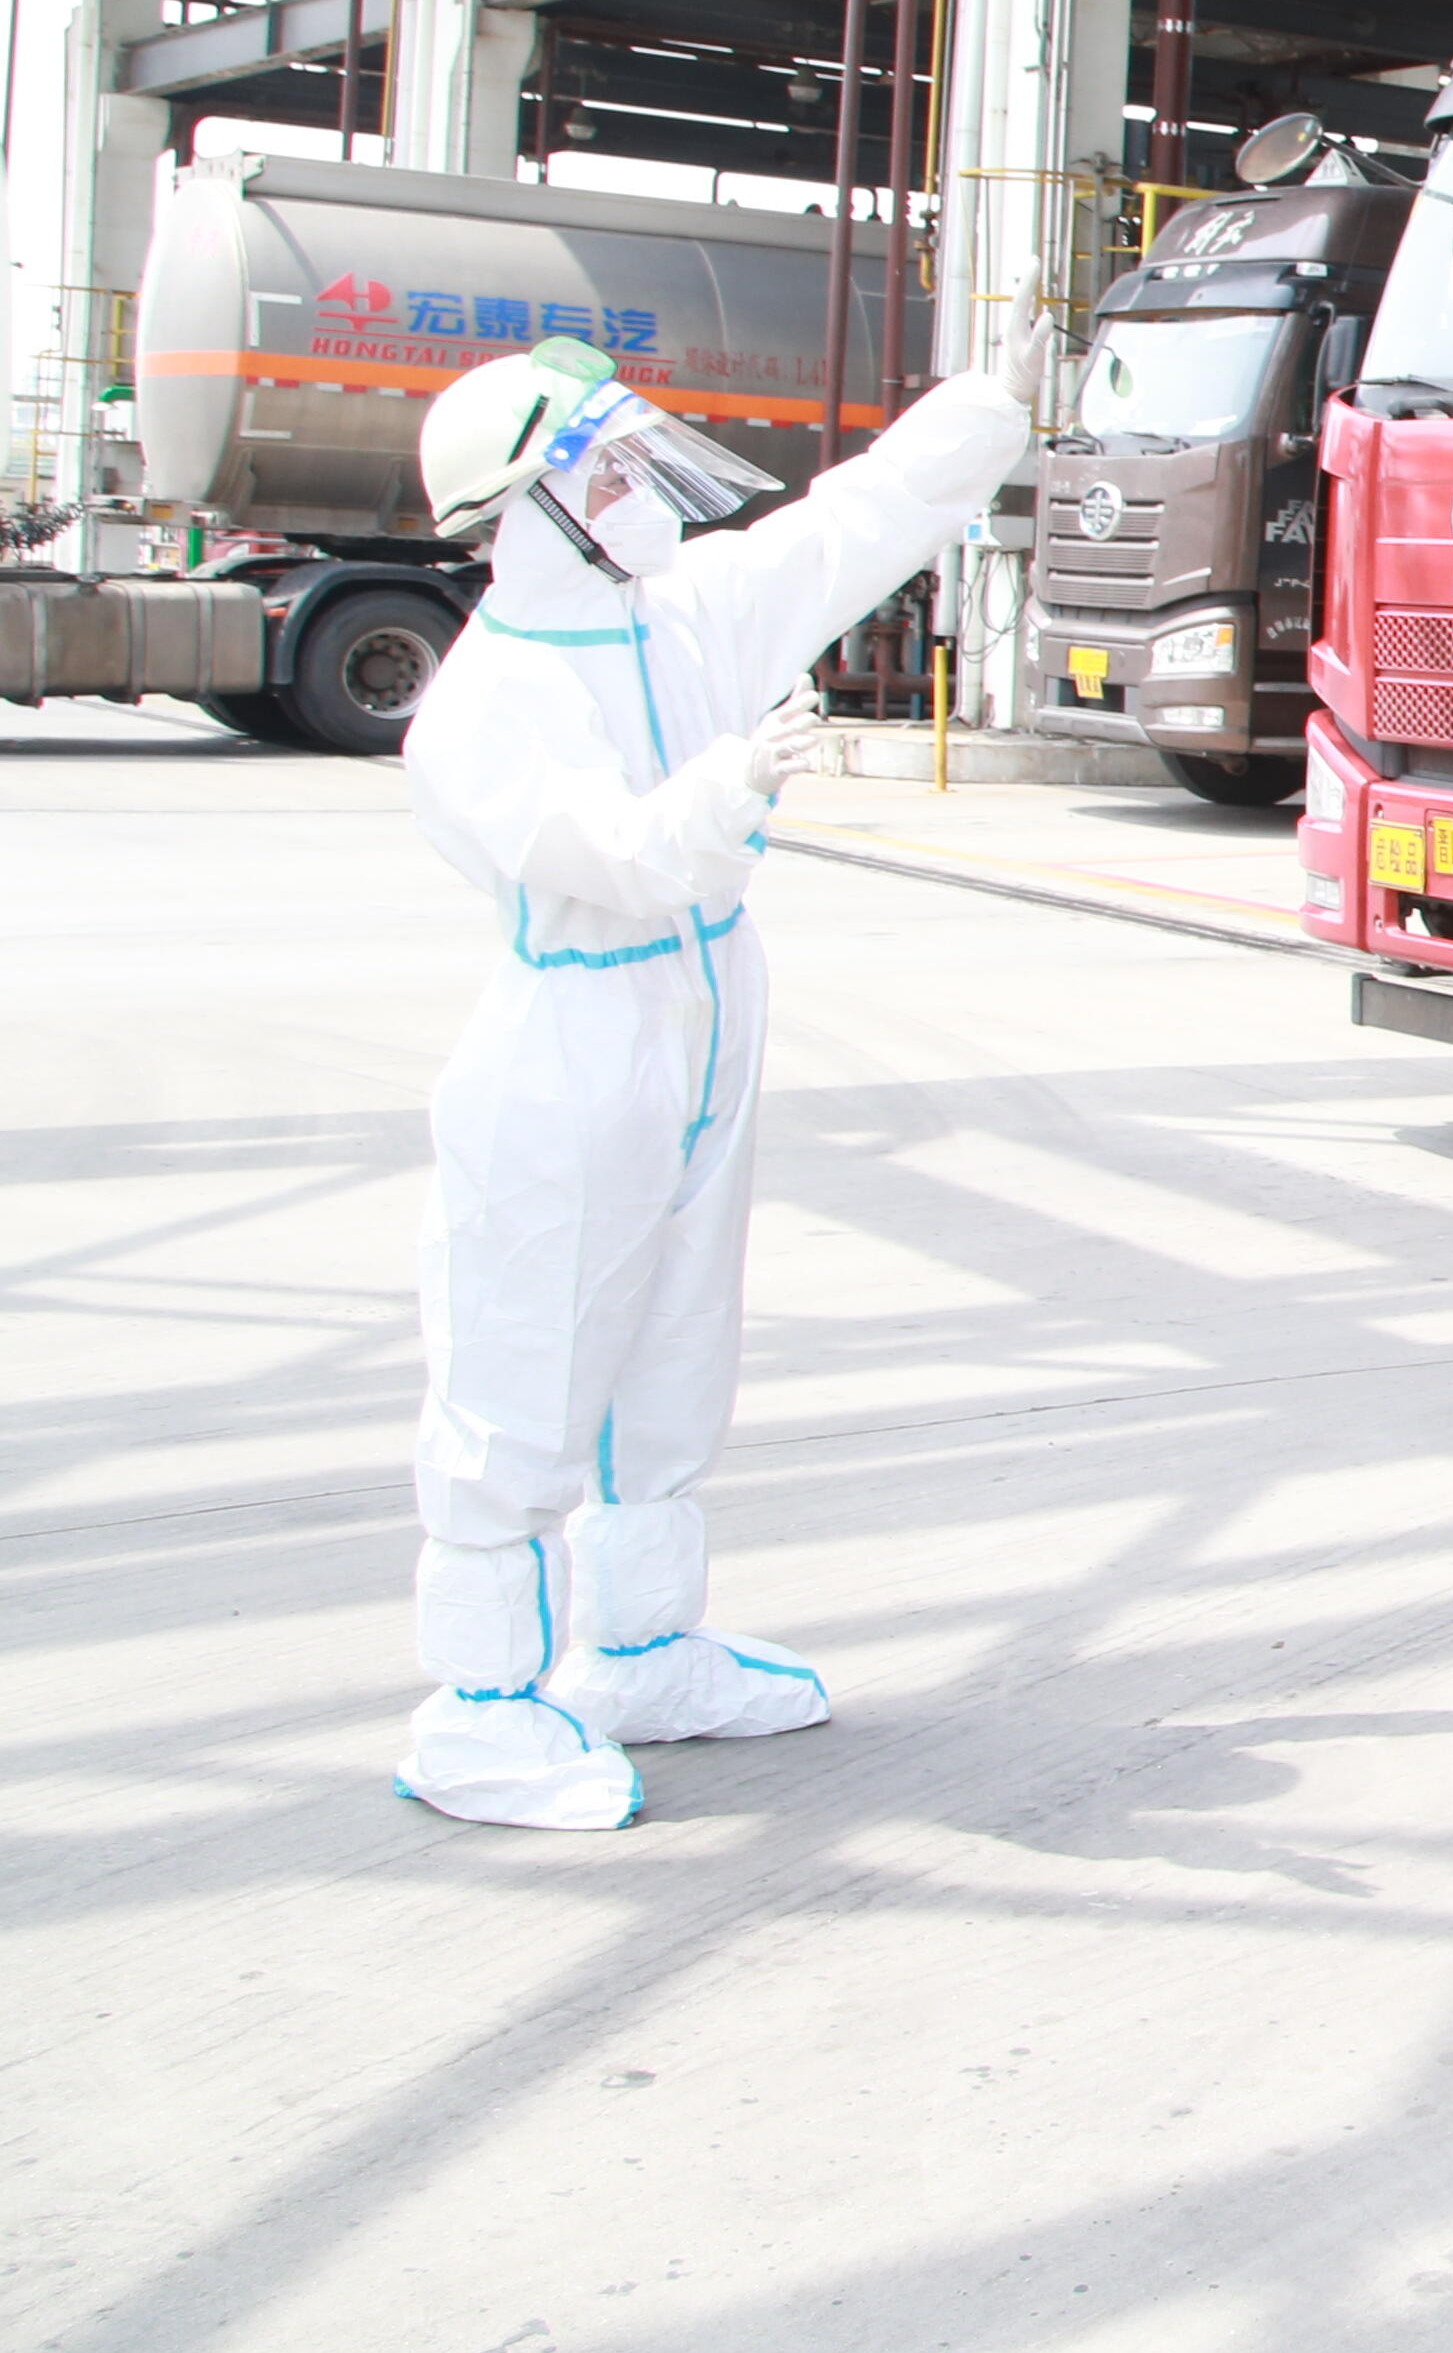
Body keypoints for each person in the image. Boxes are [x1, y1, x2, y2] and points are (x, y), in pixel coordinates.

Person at [387, 323, 1039, 1829]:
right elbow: (607, 856)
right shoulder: (484, 701)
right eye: (610, 471)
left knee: (677, 1350)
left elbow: (850, 526)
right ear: (534, 504)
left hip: (701, 1009)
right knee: (528, 1362)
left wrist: (988, 404)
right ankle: (478, 1709)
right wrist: (725, 786)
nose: (643, 490)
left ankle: (641, 1652)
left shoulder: (684, 613)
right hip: (573, 1038)